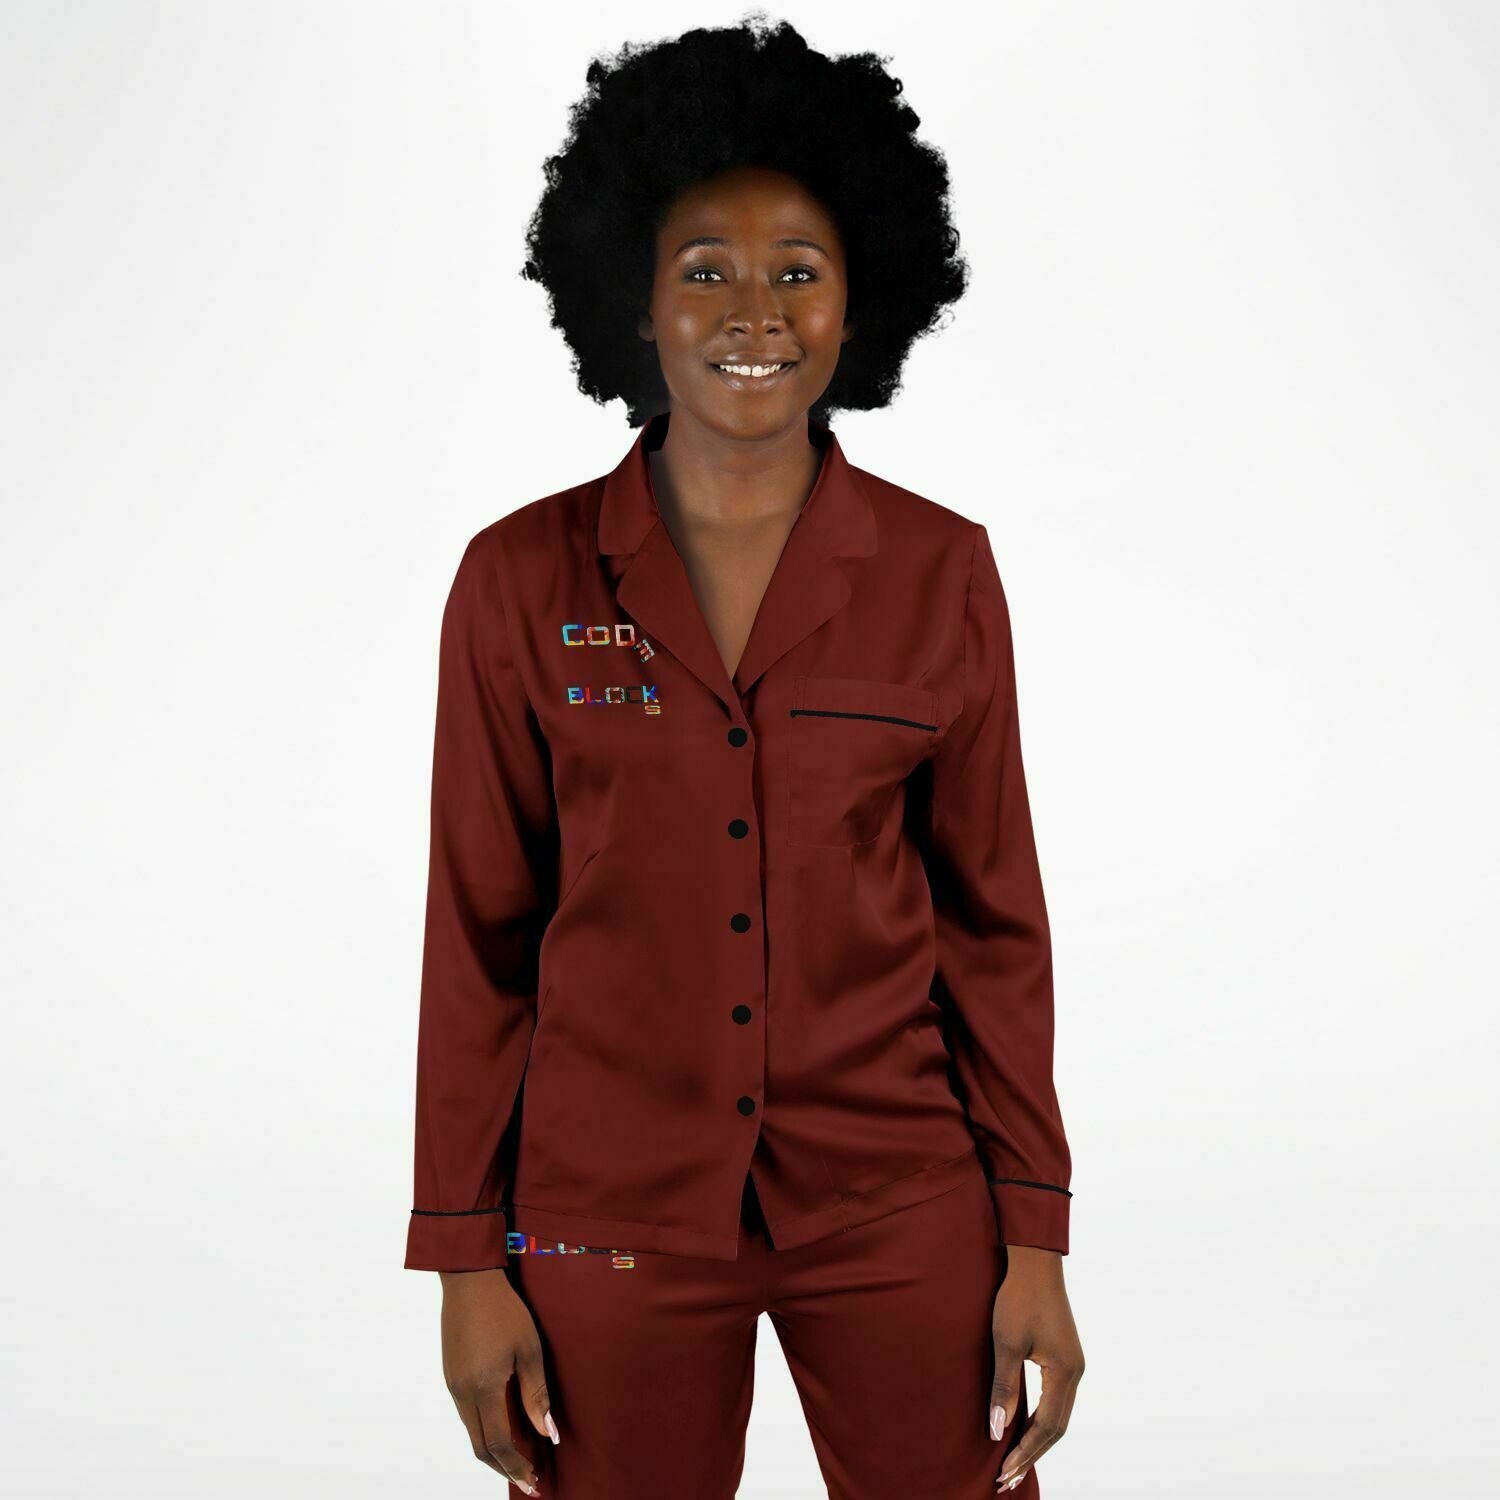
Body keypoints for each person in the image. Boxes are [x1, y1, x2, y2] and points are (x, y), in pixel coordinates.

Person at [404, 15, 1085, 1497]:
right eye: (705, 269)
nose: (753, 310)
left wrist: (1033, 1234)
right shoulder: (518, 580)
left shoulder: (943, 571)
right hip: (602, 1215)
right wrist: (464, 1259)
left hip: (899, 1201)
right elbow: (480, 938)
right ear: (636, 302)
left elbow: (993, 926)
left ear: (860, 299)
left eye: (799, 270)